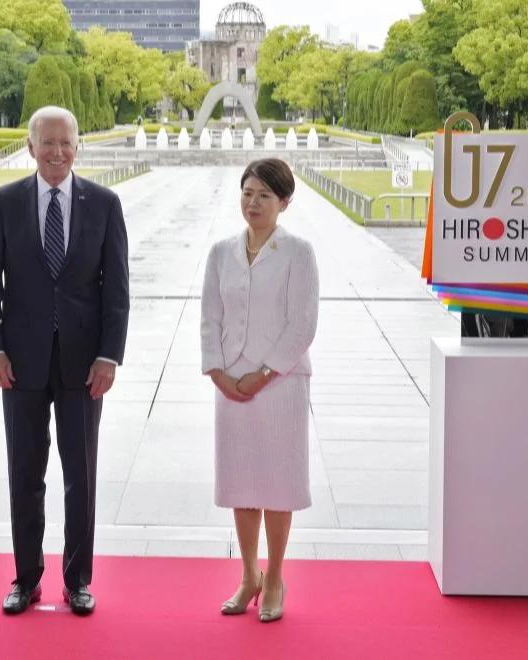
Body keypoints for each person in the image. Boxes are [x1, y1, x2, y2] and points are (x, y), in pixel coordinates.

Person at [0, 105, 130, 616]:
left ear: (78, 146)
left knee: (80, 475)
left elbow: (117, 292)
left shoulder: (104, 204)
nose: (57, 152)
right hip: (19, 364)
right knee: (24, 473)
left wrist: (110, 355)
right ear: (30, 146)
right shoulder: (5, 202)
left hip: (85, 366)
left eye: (66, 142)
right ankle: (26, 578)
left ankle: (78, 580)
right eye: (48, 142)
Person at [199, 158, 318, 623]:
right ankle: (248, 575)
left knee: (277, 485)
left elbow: (302, 323)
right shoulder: (220, 252)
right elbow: (210, 316)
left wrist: (264, 373)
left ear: (284, 203)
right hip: (230, 383)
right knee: (242, 483)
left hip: (281, 384)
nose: (253, 203)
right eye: (247, 193)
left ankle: (275, 577)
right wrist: (218, 372)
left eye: (264, 196)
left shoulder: (298, 253)